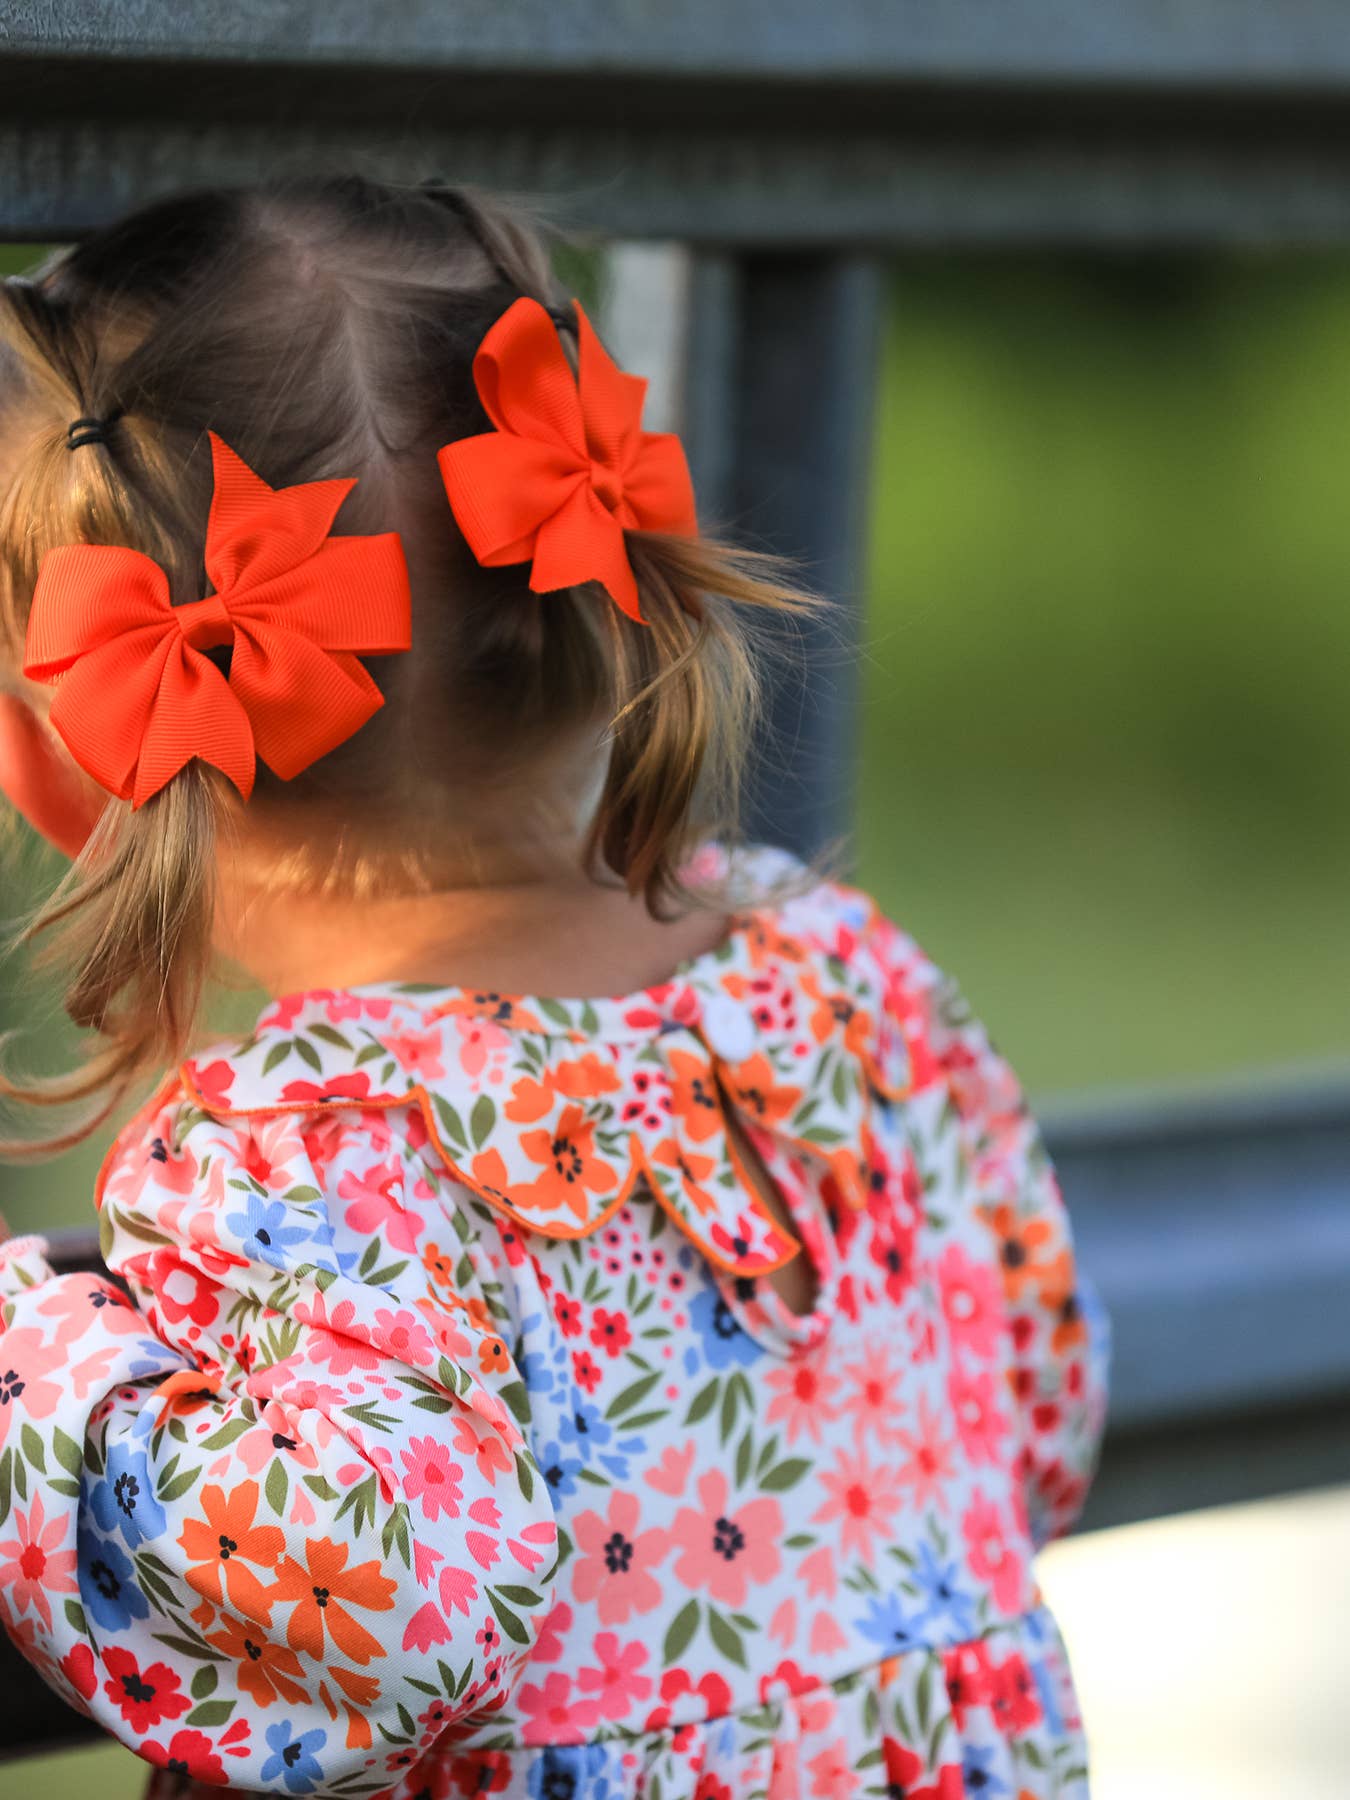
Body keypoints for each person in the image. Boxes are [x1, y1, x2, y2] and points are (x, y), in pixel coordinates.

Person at [0, 175, 1109, 1800]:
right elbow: (1036, 1396)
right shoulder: (835, 977)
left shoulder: (316, 1145)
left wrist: (42, 1365)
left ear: (61, 752)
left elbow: (376, 1613)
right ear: (592, 589)